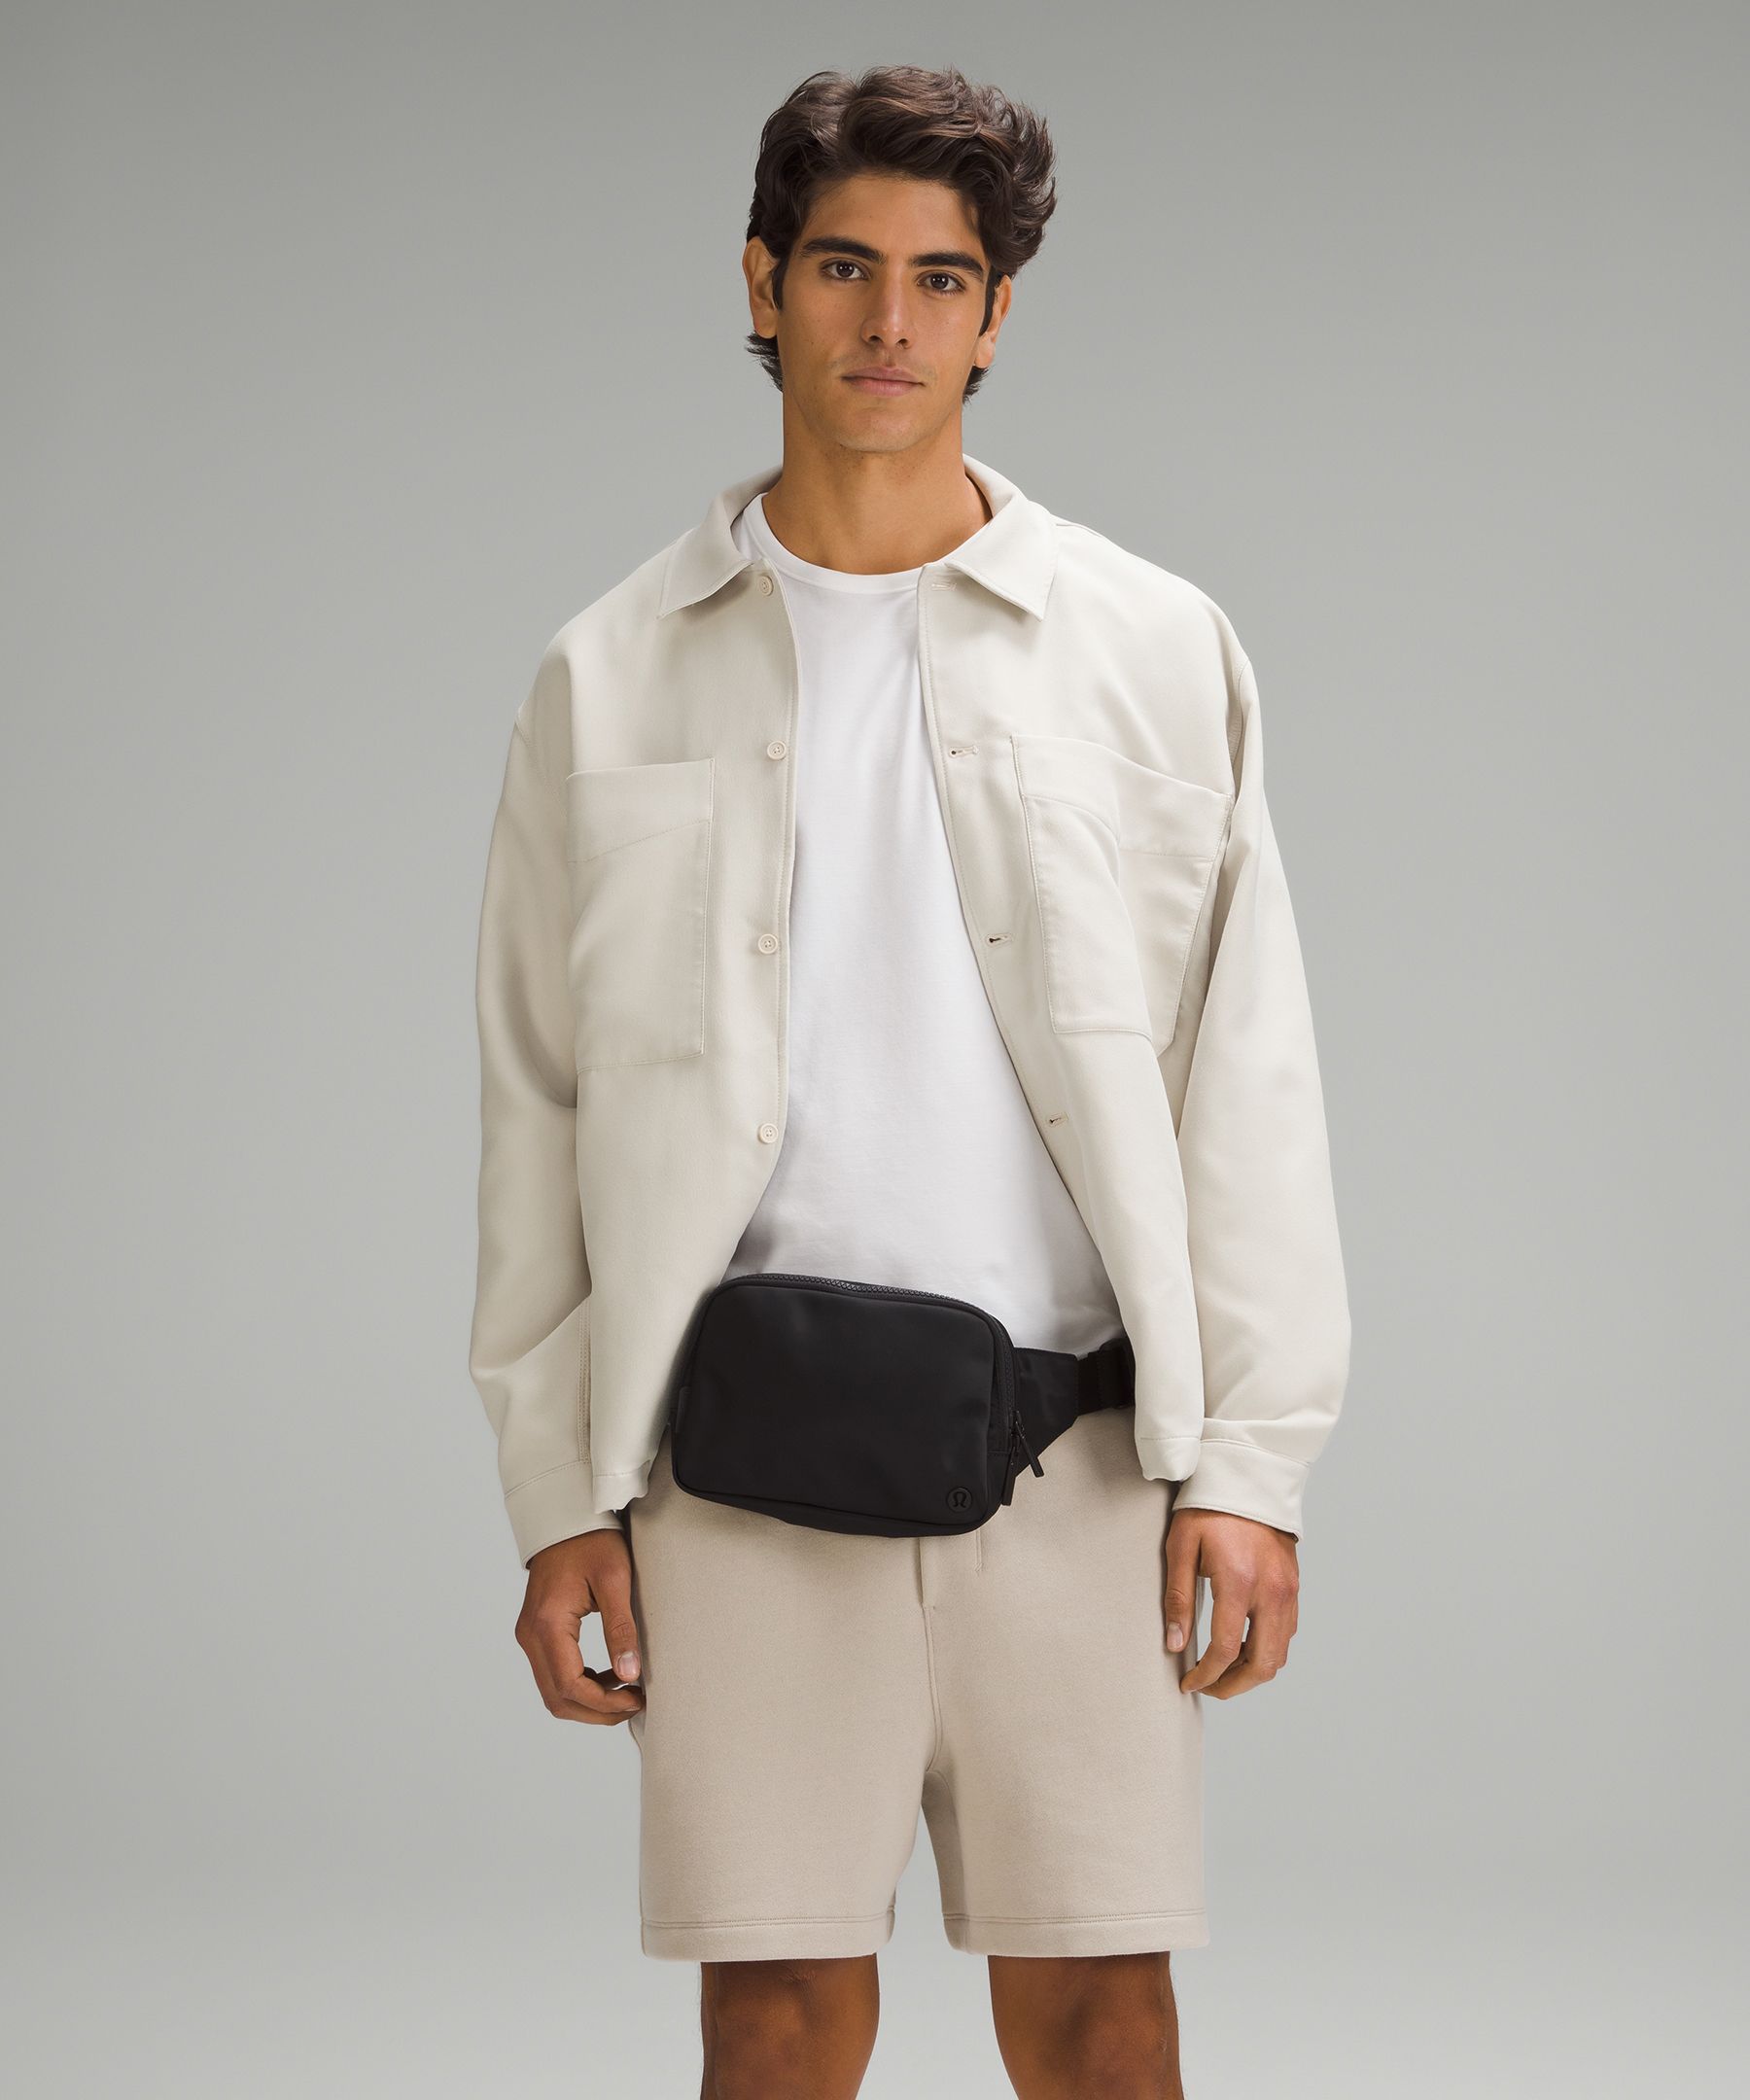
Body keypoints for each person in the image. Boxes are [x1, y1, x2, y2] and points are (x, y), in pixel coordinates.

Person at [469, 62, 1350, 2100]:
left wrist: (1250, 1469)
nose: (890, 323)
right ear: (761, 284)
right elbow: (538, 1103)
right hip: (738, 1483)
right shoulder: (610, 674)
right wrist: (558, 1497)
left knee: (1106, 2019)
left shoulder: (1152, 647)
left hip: (1082, 1465)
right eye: (843, 268)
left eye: (941, 280)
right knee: (771, 2024)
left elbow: (1249, 1076)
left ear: (997, 314)